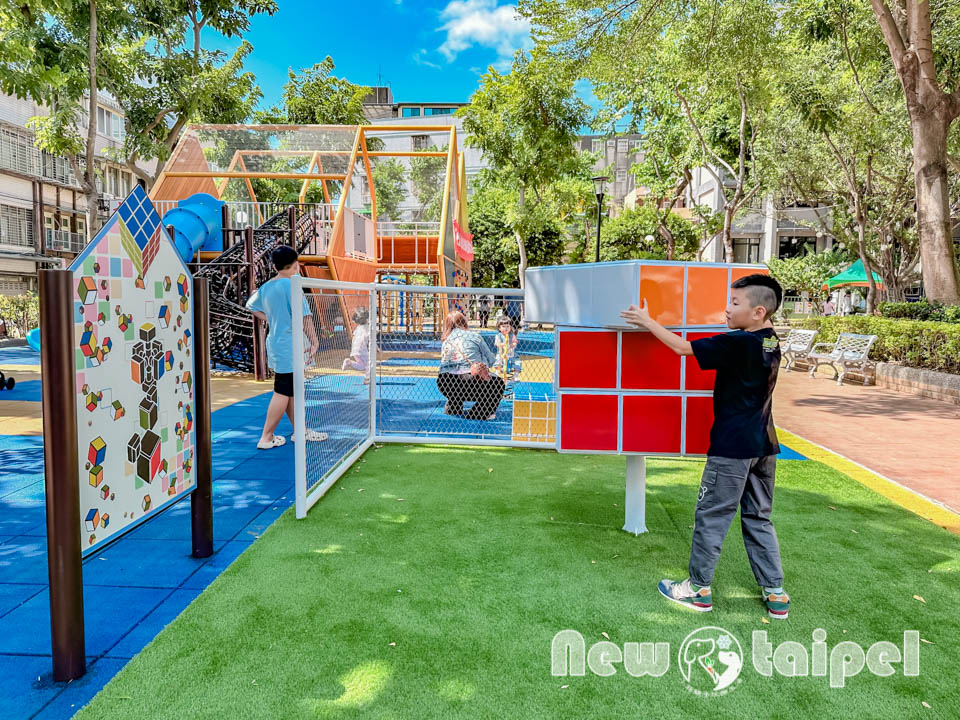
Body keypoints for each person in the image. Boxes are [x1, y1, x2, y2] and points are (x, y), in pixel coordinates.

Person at [620, 274, 790, 620]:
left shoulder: (740, 343)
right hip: (764, 445)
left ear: (758, 312)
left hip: (733, 448)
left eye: (735, 304)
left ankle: (698, 590)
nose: (727, 309)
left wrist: (647, 320)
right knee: (759, 517)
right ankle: (775, 594)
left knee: (712, 516)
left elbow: (683, 348)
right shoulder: (771, 342)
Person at [246, 246, 328, 449]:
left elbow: (251, 306)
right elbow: (305, 317)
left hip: (276, 342)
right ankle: (266, 436)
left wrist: (272, 319)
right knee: (283, 389)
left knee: (291, 389)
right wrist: (314, 340)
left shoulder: (266, 286)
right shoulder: (293, 285)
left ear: (274, 266)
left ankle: (300, 431)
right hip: (290, 344)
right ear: (296, 264)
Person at [437, 310, 505, 420]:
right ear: (464, 322)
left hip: (444, 382)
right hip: (470, 381)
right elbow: (491, 360)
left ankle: (454, 406)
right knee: (498, 384)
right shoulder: (474, 336)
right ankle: (478, 413)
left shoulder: (446, 340)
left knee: (456, 376)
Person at [342, 306, 371, 382]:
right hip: (361, 350)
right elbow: (368, 337)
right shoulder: (367, 328)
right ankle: (367, 378)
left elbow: (354, 337)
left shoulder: (358, 328)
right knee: (369, 363)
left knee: (361, 366)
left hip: (355, 349)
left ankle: (349, 362)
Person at [493, 314, 520, 381]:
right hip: (501, 354)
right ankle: (497, 373)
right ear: (499, 328)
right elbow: (497, 343)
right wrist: (502, 344)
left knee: (517, 362)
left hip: (511, 354)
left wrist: (512, 344)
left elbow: (515, 342)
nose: (506, 328)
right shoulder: (498, 336)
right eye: (503, 326)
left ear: (510, 327)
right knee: (498, 362)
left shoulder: (512, 335)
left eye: (508, 326)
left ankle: (515, 375)